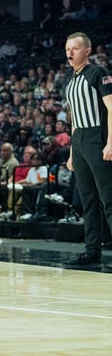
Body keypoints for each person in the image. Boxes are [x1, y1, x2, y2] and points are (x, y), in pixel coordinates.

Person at [61, 32, 112, 271]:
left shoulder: (98, 73)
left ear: (87, 51)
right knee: (88, 200)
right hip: (80, 139)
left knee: (108, 199)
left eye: (75, 48)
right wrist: (72, 152)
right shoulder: (70, 80)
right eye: (68, 48)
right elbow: (73, 120)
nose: (70, 52)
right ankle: (92, 252)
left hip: (97, 137)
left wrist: (110, 142)